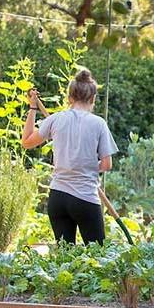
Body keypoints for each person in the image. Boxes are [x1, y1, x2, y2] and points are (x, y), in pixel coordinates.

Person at [21, 69, 119, 245]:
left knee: (65, 258)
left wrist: (33, 107)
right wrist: (88, 166)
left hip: (58, 197)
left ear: (70, 98)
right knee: (97, 255)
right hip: (85, 198)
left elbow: (27, 141)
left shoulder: (56, 119)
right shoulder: (98, 124)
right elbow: (106, 164)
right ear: (93, 98)